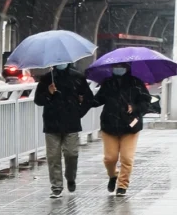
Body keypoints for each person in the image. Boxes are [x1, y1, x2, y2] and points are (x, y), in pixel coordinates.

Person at [33, 63, 94, 198]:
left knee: (71, 154)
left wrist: (78, 112)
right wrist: (48, 93)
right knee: (53, 156)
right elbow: (38, 100)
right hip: (51, 124)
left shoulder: (77, 77)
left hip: (71, 123)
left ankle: (70, 177)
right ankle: (56, 186)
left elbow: (88, 99)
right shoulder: (47, 79)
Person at [93, 64, 152, 196]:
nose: (118, 68)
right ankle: (113, 175)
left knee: (127, 158)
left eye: (121, 66)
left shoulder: (136, 83)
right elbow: (97, 100)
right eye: (115, 66)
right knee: (110, 158)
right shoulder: (108, 83)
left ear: (127, 67)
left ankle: (122, 185)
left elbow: (146, 102)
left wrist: (135, 108)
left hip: (130, 126)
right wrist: (83, 98)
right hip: (109, 125)